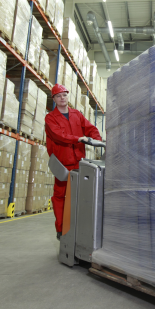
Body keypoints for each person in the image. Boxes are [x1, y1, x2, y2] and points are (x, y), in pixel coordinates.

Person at [45, 84, 102, 240]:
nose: (62, 98)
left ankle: (80, 228)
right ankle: (61, 229)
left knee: (81, 195)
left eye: (64, 95)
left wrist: (97, 139)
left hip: (79, 161)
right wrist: (78, 138)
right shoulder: (50, 118)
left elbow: (90, 128)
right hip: (62, 163)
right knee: (60, 196)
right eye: (58, 96)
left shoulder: (77, 114)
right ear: (54, 99)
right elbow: (59, 136)